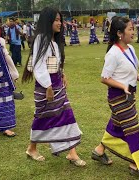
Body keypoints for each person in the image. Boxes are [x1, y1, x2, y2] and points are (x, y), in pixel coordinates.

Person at [22, 7, 86, 166]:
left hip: (58, 85)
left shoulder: (54, 41)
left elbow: (54, 63)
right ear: (47, 21)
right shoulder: (41, 39)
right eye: (56, 20)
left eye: (60, 20)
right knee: (42, 117)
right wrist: (48, 86)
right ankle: (31, 148)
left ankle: (72, 153)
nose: (60, 23)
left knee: (67, 115)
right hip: (46, 87)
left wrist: (62, 74)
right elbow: (38, 65)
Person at [91, 16, 139, 178]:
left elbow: (129, 68)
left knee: (117, 126)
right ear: (119, 33)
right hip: (118, 97)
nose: (133, 32)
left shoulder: (130, 49)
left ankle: (99, 151)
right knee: (132, 128)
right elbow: (104, 78)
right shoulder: (113, 53)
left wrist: (138, 76)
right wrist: (123, 86)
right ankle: (136, 164)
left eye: (133, 28)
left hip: (129, 94)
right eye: (130, 29)